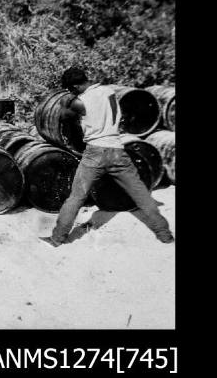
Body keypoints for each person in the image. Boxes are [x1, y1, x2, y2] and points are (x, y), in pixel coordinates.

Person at [41, 67, 174, 247]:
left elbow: (65, 116)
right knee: (142, 194)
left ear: (75, 85)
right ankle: (165, 235)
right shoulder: (109, 92)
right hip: (118, 150)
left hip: (95, 152)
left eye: (71, 88)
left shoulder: (81, 101)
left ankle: (57, 239)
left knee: (76, 197)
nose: (71, 92)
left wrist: (66, 101)